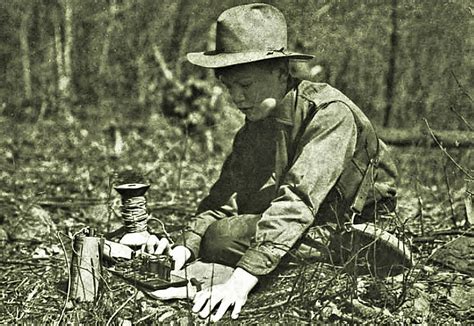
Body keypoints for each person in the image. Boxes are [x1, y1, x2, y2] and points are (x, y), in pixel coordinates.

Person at [145, 3, 405, 322]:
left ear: (280, 73)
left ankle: (361, 254)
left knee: (222, 237)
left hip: (355, 221)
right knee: (215, 233)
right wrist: (185, 248)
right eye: (229, 88)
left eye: (246, 85)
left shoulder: (328, 113)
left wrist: (240, 282)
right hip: (310, 217)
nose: (237, 98)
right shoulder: (255, 126)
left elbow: (298, 199)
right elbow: (225, 197)